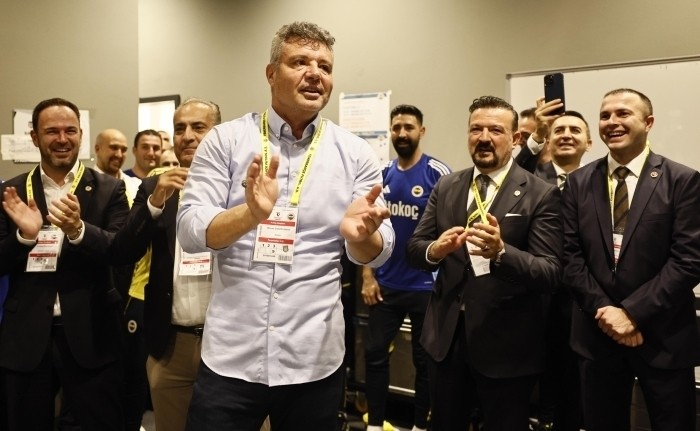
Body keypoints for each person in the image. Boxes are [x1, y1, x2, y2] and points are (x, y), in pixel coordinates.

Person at [176, 21, 394, 431]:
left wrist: (362, 238)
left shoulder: (354, 153)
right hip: (232, 358)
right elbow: (190, 230)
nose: (315, 74)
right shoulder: (225, 141)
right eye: (300, 62)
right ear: (271, 73)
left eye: (325, 66)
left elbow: (379, 249)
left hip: (313, 359)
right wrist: (249, 215)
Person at [406, 95, 562, 431]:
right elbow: (415, 249)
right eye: (476, 129)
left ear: (515, 138)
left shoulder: (540, 193)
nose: (484, 138)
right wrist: (436, 249)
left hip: (507, 346)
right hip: (446, 341)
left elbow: (549, 272)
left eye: (496, 130)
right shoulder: (447, 185)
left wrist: (502, 253)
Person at [562, 88, 700, 430]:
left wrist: (632, 313)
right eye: (605, 115)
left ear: (648, 122)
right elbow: (570, 257)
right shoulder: (578, 183)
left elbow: (689, 259)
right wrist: (608, 314)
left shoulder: (682, 181)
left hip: (664, 337)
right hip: (598, 335)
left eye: (623, 113)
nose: (612, 122)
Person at [0, 97, 128, 431]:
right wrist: (24, 237)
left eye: (70, 130)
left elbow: (120, 251)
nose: (62, 139)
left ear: (81, 134)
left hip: (93, 334)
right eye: (51, 131)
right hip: (27, 337)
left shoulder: (110, 189)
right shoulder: (11, 192)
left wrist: (78, 230)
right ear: (34, 137)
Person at [110, 98, 223, 431]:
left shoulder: (241, 183)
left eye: (198, 127)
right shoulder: (153, 186)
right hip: (171, 344)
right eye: (179, 128)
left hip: (228, 341)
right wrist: (154, 203)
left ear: (219, 132)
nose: (187, 136)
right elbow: (123, 250)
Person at [361, 104, 450, 431]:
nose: (402, 133)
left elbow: (450, 228)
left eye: (408, 127)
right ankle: (375, 424)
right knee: (374, 355)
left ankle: (419, 426)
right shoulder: (381, 173)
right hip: (385, 286)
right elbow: (366, 228)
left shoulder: (437, 173)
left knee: (424, 362)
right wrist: (367, 275)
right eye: (396, 127)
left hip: (426, 287)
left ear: (421, 132)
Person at [515, 102, 591, 431]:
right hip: (531, 297)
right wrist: (537, 134)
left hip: (580, 300)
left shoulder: (601, 182)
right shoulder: (531, 178)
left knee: (572, 382)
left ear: (589, 142)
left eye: (575, 130)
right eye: (559, 130)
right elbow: (509, 172)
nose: (566, 135)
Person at [94, 128, 141, 202]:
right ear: (97, 149)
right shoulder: (84, 185)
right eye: (114, 148)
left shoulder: (136, 185)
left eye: (124, 150)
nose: (119, 155)